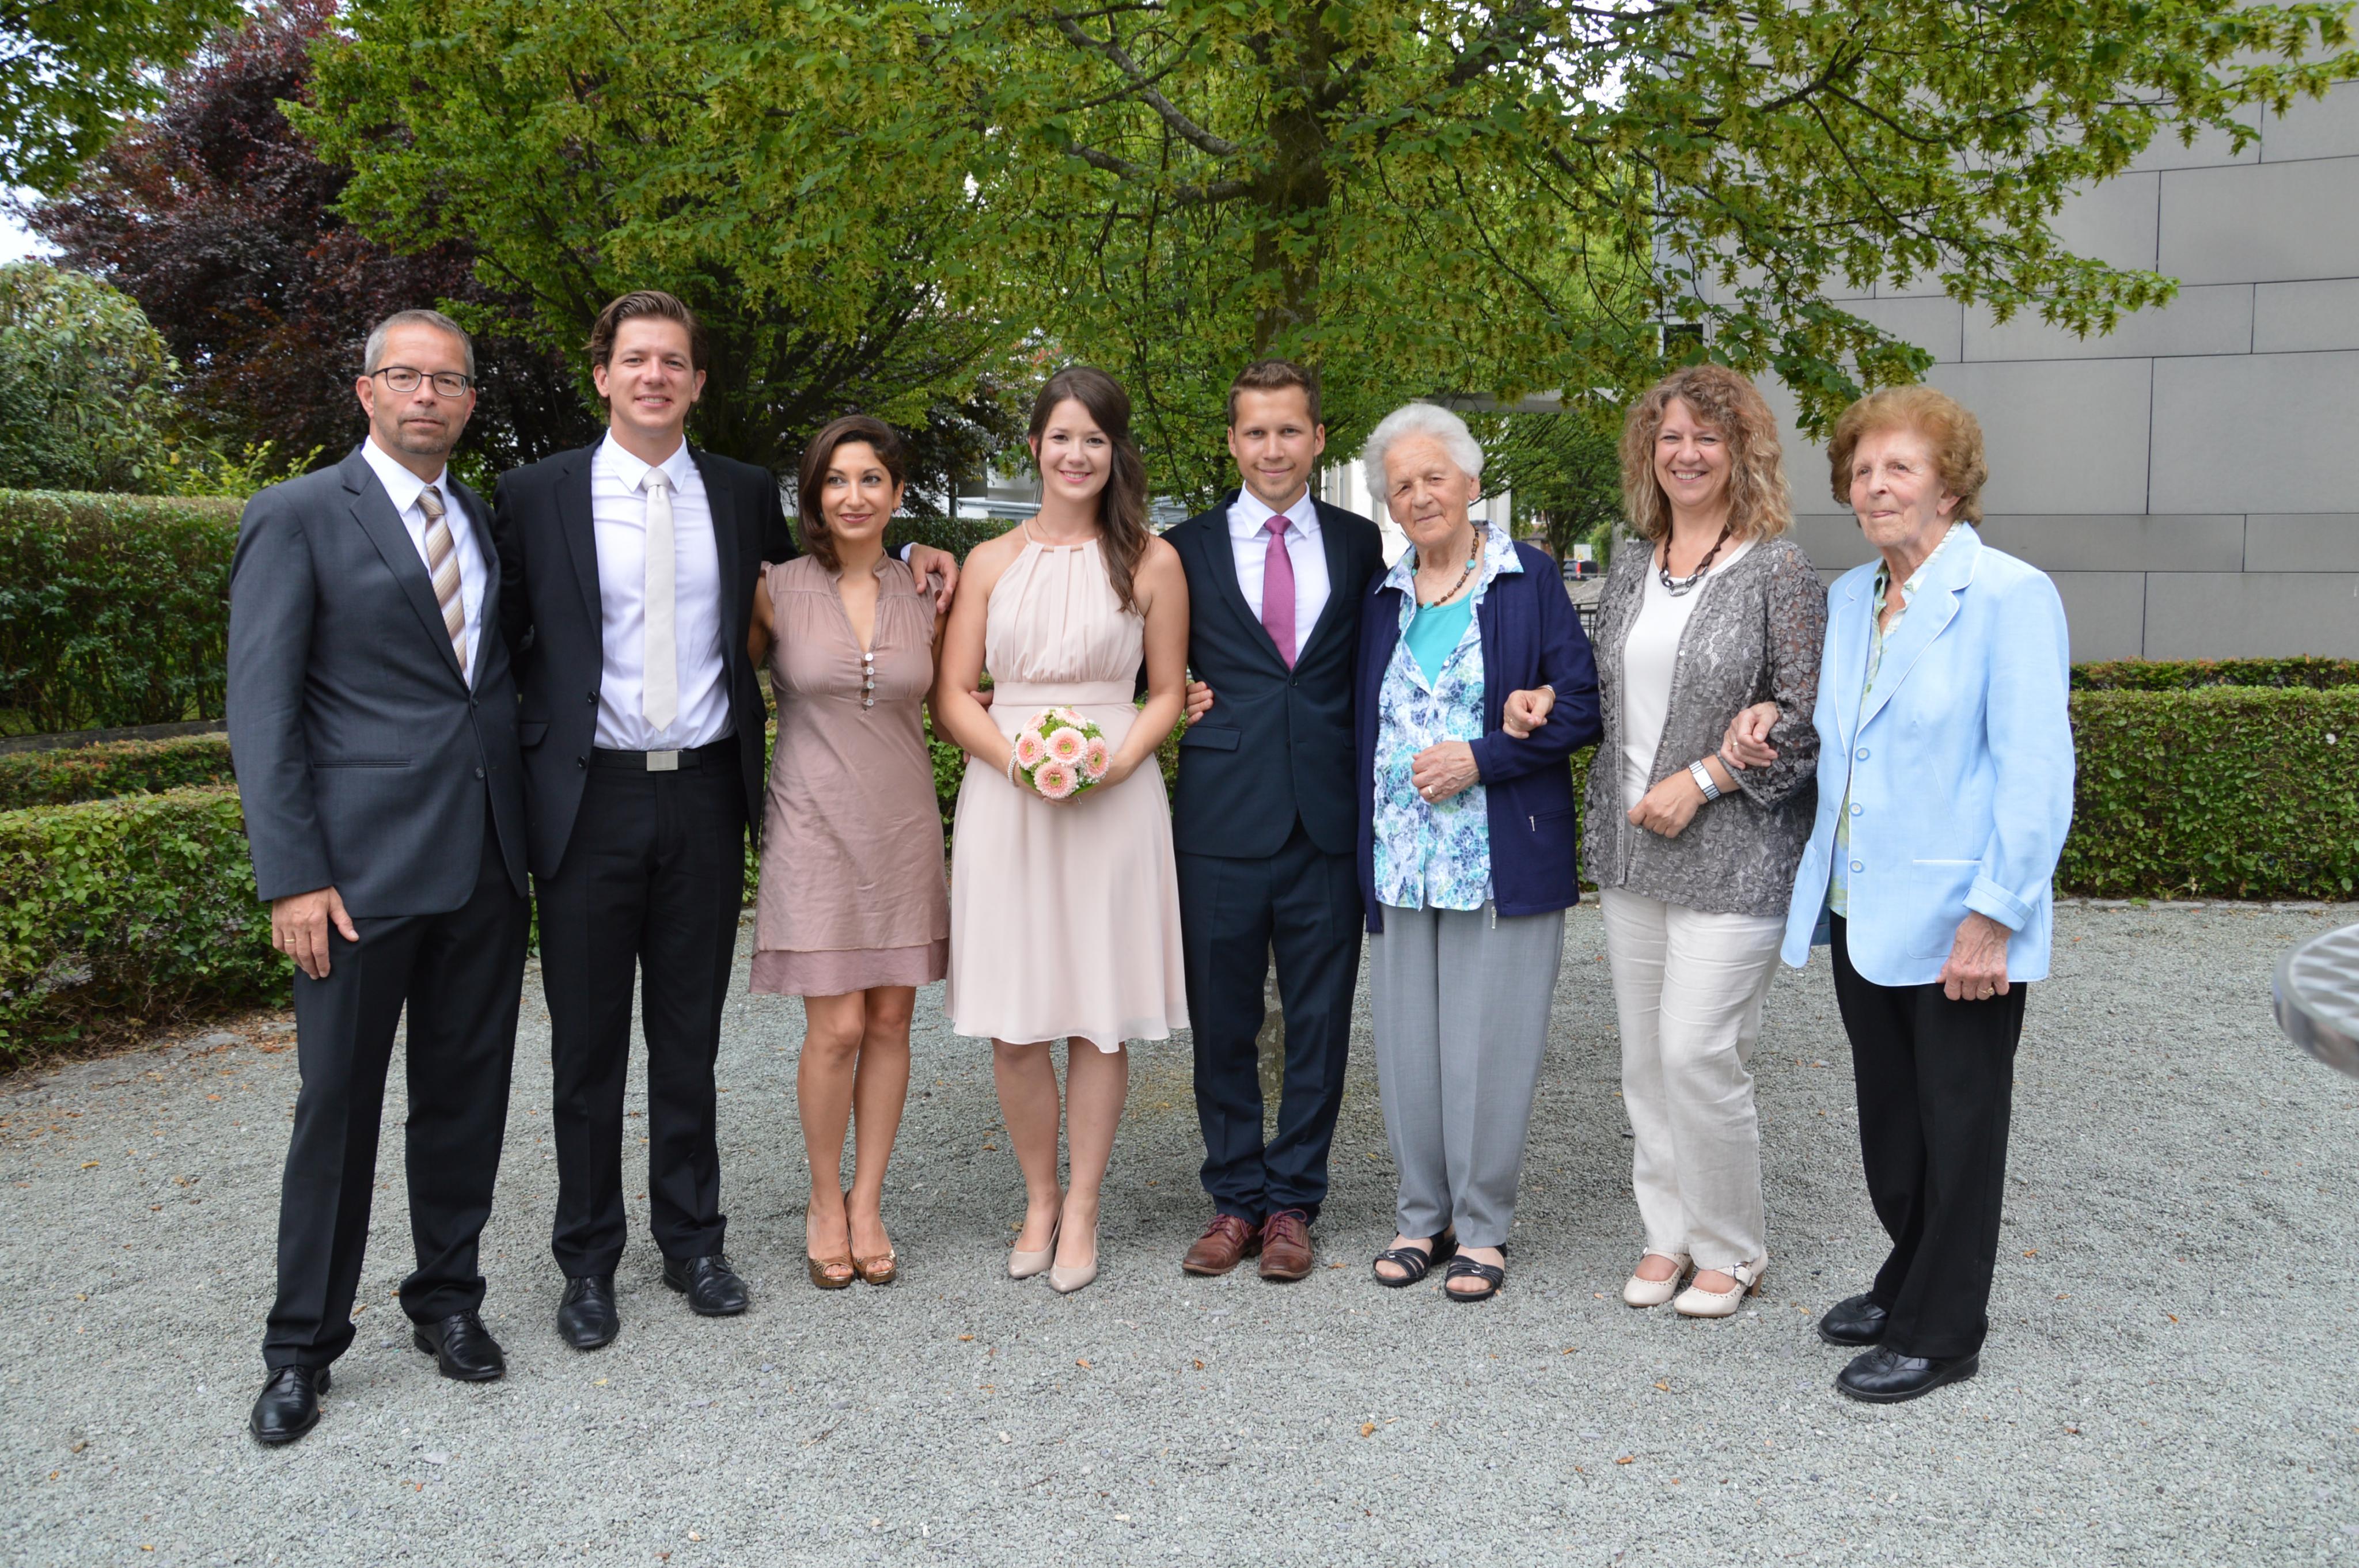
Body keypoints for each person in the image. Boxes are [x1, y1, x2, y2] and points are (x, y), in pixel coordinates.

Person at [492, 290, 961, 1349]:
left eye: (675, 361)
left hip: (706, 793)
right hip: (588, 797)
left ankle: (693, 1242)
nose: (655, 375)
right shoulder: (534, 494)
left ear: (699, 382)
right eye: (635, 359)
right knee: (587, 1051)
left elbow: (835, 572)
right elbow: (497, 649)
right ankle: (588, 1263)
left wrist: (926, 552)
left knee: (688, 1039)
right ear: (603, 375)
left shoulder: (741, 494)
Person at [229, 309, 530, 1443]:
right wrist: (292, 876)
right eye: (406, 376)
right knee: (337, 1109)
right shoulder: (299, 514)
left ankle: (447, 1302)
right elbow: (263, 710)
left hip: (484, 863)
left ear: (468, 400)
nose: (426, 396)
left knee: (465, 1099)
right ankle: (300, 1348)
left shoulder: (480, 520)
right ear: (366, 391)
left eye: (447, 381)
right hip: (353, 882)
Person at [1761, 384, 2072, 1402]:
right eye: (1861, 470)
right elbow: (1842, 740)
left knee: (1960, 1130)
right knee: (1895, 1129)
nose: (1875, 485)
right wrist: (1763, 726)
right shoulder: (1854, 598)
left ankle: (1943, 1331)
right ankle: (1908, 1278)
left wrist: (1996, 916)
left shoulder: (2010, 596)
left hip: (1959, 923)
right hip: (1861, 909)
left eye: (1899, 467)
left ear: (1950, 486)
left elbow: (2036, 774)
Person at [1526, 366, 1827, 1318]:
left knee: (1699, 1053)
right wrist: (1543, 700)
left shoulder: (1778, 569)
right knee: (1646, 1063)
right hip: (1631, 851)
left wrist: (1703, 780)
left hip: (1736, 854)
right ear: (1647, 453)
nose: (1687, 454)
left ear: (1742, 451)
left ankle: (1732, 1249)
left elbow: (1806, 725)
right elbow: (1606, 693)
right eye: (1671, 437)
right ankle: (1668, 1235)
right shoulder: (1632, 562)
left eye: (1708, 437)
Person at [933, 366, 1191, 1296]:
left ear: (1115, 451)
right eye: (1061, 437)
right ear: (1035, 445)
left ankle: (1084, 1205)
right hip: (1008, 797)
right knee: (1016, 1020)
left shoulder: (1153, 562)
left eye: (1095, 439)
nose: (1076, 454)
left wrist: (1115, 764)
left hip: (1114, 797)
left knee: (1098, 1017)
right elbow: (951, 695)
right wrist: (1016, 765)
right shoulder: (990, 562)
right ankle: (1038, 1198)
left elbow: (1166, 693)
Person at [1350, 402, 1599, 1301]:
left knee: (1488, 1051)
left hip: (1498, 859)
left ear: (1471, 483)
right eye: (1401, 486)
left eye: (1435, 478)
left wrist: (1485, 757)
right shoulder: (1382, 597)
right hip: (1399, 861)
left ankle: (1484, 1229)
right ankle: (1423, 1216)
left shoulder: (1527, 579)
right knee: (1408, 1053)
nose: (1420, 496)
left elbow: (1581, 706)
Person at [1160, 360, 1385, 1282]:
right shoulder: (1183, 549)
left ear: (1318, 439)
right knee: (1221, 1018)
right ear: (1232, 443)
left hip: (1328, 815)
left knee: (1319, 1021)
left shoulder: (1363, 544)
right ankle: (1233, 1200)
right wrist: (1171, 695)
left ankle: (1293, 1203)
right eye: (1255, 432)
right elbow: (1137, 660)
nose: (1273, 448)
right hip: (1221, 815)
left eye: (1290, 430)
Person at [748, 416, 948, 1290]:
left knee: (892, 1023)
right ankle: (824, 1199)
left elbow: (968, 694)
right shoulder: (772, 589)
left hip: (902, 828)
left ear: (898, 494)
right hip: (812, 828)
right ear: (813, 496)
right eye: (836, 480)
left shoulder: (931, 588)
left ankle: (869, 1202)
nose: (854, 496)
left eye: (872, 479)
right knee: (835, 1028)